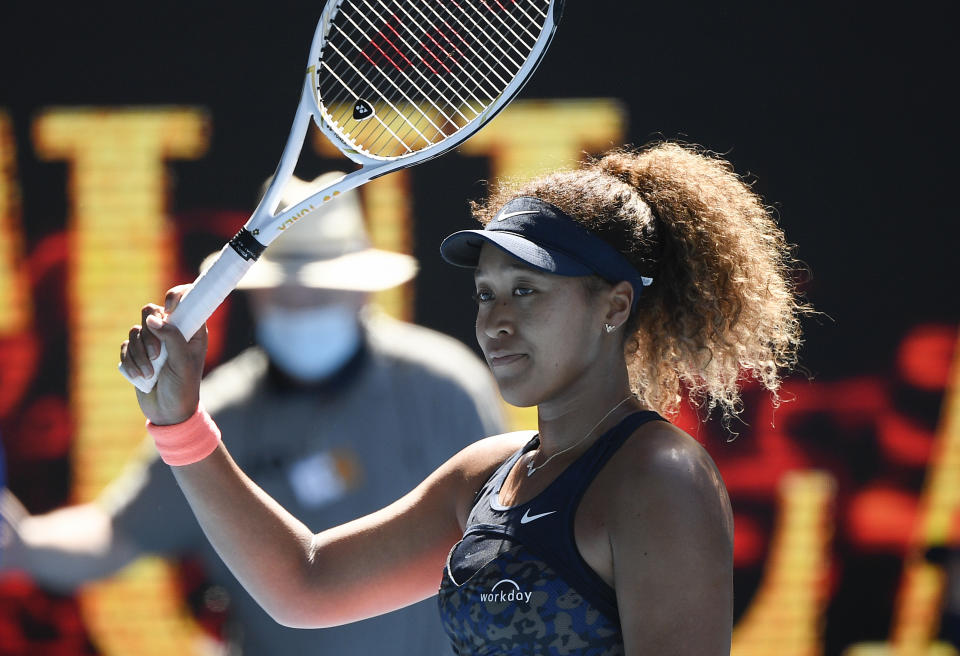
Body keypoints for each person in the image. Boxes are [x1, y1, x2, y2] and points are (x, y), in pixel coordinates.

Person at [118, 143, 808, 655]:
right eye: (486, 293)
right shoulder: (486, 475)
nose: (496, 321)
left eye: (527, 291)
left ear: (614, 305)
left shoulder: (660, 477)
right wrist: (179, 420)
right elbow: (306, 583)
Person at [1, 173, 505, 655]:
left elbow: (505, 557)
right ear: (256, 295)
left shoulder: (445, 390)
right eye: (285, 293)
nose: (302, 307)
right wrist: (19, 543)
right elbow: (116, 533)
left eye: (320, 293)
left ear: (363, 291)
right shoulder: (211, 414)